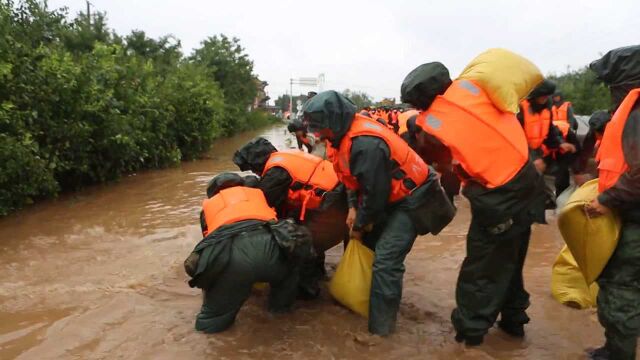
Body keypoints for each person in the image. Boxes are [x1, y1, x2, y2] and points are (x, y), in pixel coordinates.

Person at [400, 62, 546, 346]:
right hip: (529, 182)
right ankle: (514, 324)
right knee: (512, 258)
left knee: (480, 268)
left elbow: (438, 162)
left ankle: (470, 337)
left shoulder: (431, 126)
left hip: (497, 195)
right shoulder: (476, 90)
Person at [302, 90, 455, 336]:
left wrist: (359, 227)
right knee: (369, 247)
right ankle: (369, 304)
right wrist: (352, 208)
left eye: (321, 128)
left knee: (385, 261)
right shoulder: (339, 138)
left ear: (335, 121)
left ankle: (381, 333)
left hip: (414, 199)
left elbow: (375, 196)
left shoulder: (366, 144)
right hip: (389, 197)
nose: (317, 134)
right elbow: (350, 179)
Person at [184, 173, 315, 333]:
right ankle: (280, 314)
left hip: (235, 260)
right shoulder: (257, 195)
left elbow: (210, 243)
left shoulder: (209, 206)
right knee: (287, 281)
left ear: (213, 192)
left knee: (211, 324)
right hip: (276, 249)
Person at [233, 138, 349, 298]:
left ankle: (307, 294)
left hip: (334, 205)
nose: (254, 173)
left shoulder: (276, 171)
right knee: (306, 232)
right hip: (342, 198)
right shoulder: (287, 156)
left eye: (252, 169)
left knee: (299, 243)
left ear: (257, 162)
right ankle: (317, 276)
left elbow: (262, 206)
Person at [584, 45, 640, 360]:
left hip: (634, 221)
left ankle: (619, 354)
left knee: (621, 291)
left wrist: (607, 200)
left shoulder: (636, 114)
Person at [517, 80, 577, 176]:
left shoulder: (547, 108)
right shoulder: (520, 109)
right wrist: (533, 157)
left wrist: (560, 143)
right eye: (543, 95)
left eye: (547, 95)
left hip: (537, 152)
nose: (545, 98)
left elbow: (550, 131)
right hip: (520, 154)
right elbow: (515, 138)